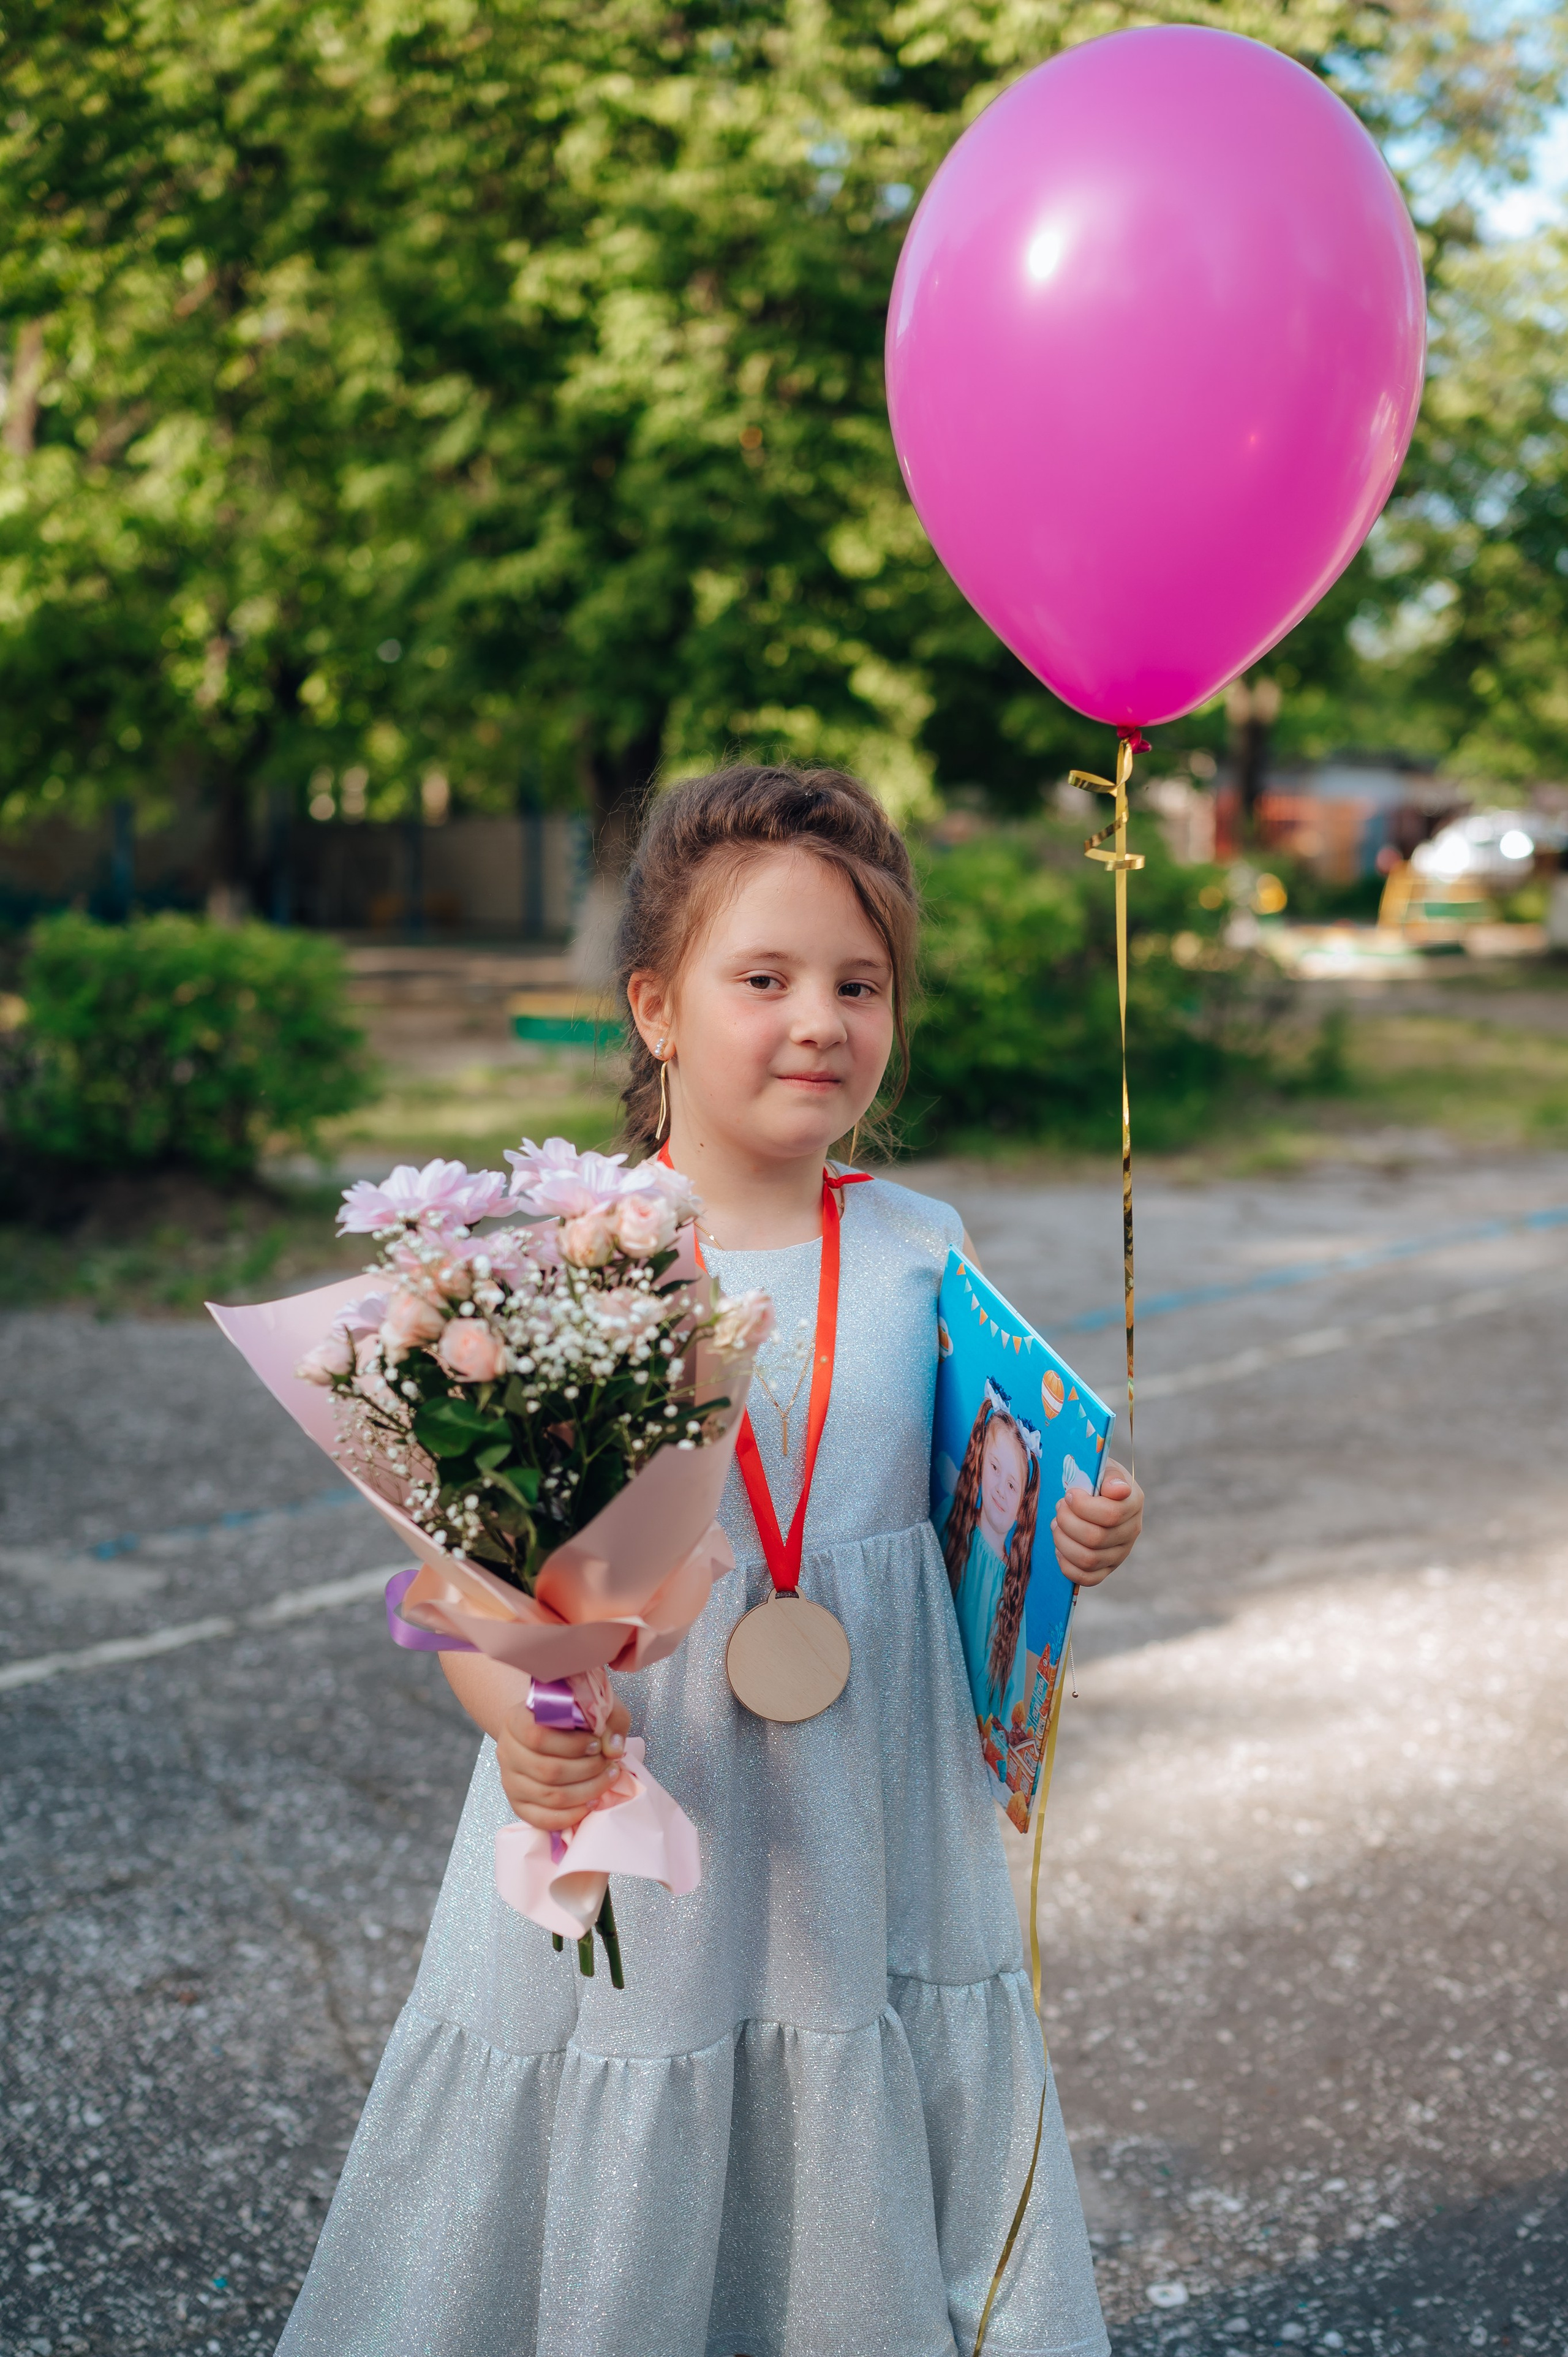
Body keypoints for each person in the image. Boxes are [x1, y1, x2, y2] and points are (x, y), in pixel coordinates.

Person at [278, 764, 1144, 2357]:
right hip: (648, 1787)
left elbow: (978, 1504)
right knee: (639, 2072)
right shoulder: (554, 1271)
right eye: (767, 978)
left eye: (858, 983)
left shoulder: (921, 1246)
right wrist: (509, 1730)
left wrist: (1072, 1533)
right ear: (657, 1008)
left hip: (871, 1804)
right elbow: (471, 1580)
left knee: (846, 2086)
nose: (819, 1017)